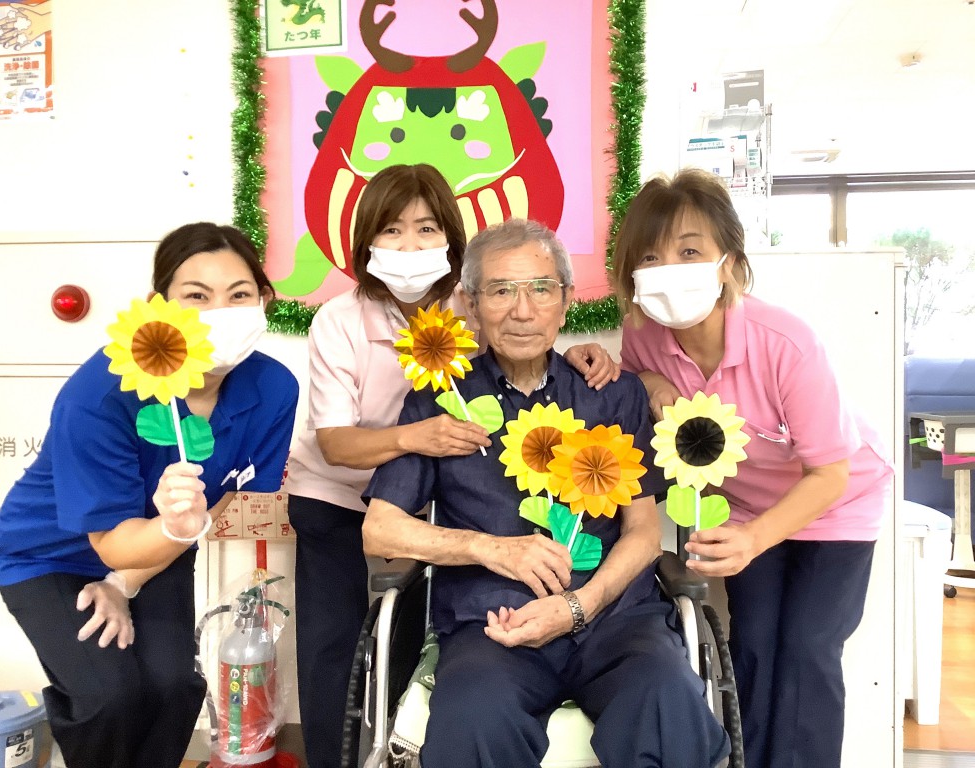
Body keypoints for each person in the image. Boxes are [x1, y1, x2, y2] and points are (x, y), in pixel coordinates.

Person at [361, 218, 731, 768]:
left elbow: (643, 534)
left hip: (615, 620)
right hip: (494, 627)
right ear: (470, 304)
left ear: (565, 300)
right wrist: (490, 549)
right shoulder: (440, 399)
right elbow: (380, 530)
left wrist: (580, 606)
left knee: (665, 700)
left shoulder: (612, 393)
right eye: (501, 291)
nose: (523, 310)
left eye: (540, 289)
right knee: (473, 718)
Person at [285, 163, 621, 768]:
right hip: (337, 494)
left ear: (451, 239)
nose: (409, 246)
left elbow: (519, 339)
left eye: (426, 229)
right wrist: (418, 436)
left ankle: (395, 748)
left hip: (419, 495)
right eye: (391, 230)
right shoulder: (339, 320)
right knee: (334, 644)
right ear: (366, 240)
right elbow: (336, 445)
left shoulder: (466, 307)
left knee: (408, 637)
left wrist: (575, 353)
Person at [0, 222, 299, 768]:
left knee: (174, 686)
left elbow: (226, 494)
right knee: (109, 695)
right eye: (196, 296)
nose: (219, 312)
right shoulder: (101, 393)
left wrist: (124, 582)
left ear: (264, 302)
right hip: (48, 556)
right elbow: (111, 542)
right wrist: (136, 556)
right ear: (159, 307)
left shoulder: (273, 388)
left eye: (239, 295)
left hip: (158, 553)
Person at [611, 167, 893, 768]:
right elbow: (636, 377)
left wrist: (755, 539)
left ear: (730, 264)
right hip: (744, 506)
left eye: (690, 252)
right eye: (651, 257)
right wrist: (650, 380)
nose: (669, 270)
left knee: (809, 646)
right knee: (756, 645)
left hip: (835, 503)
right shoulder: (645, 336)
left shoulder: (785, 342)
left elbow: (831, 473)